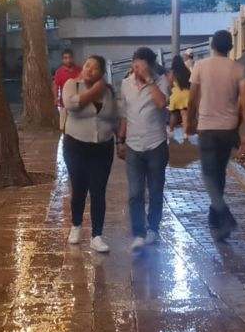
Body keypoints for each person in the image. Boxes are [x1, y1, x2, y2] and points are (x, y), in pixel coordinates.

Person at [186, 30, 245, 241]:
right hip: (228, 127)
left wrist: (189, 121)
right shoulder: (238, 68)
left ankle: (224, 214)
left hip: (207, 126)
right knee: (220, 173)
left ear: (212, 45)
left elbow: (192, 97)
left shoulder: (201, 66)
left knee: (208, 174)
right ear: (230, 47)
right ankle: (216, 224)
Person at [62, 55, 120, 253]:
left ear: (101, 73)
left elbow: (114, 118)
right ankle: (76, 225)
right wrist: (94, 91)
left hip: (102, 146)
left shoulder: (109, 92)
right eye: (87, 65)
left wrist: (120, 140)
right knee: (78, 188)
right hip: (76, 145)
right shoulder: (72, 84)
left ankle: (97, 235)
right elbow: (71, 105)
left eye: (95, 68)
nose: (89, 70)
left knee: (98, 191)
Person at [117, 47, 170, 251]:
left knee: (155, 190)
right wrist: (120, 140)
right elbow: (125, 114)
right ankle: (138, 232)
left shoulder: (160, 81)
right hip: (133, 146)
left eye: (141, 63)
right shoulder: (125, 84)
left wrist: (149, 82)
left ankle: (153, 229)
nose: (136, 67)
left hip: (156, 144)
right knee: (135, 192)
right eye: (134, 63)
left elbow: (161, 104)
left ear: (150, 65)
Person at [54, 49, 83, 131]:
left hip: (79, 101)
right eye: (65, 58)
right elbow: (56, 86)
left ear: (73, 58)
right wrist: (56, 98)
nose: (68, 60)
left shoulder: (80, 70)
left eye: (70, 58)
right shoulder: (59, 72)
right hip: (65, 103)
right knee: (65, 125)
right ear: (62, 59)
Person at [167, 55, 191, 140]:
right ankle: (185, 134)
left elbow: (169, 84)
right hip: (186, 95)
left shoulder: (172, 72)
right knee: (185, 115)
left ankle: (170, 131)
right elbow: (190, 83)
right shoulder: (186, 71)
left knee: (174, 115)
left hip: (176, 95)